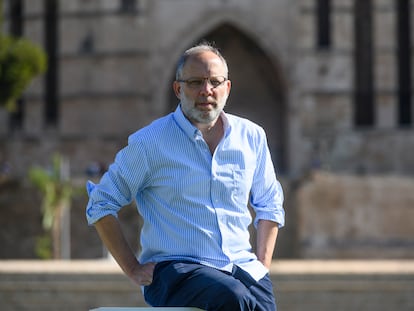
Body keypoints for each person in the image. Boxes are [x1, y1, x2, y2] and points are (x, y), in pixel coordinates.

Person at [86, 42, 285, 311]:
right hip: (175, 270)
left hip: (243, 268)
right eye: (195, 82)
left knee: (253, 300)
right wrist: (132, 269)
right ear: (178, 89)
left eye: (215, 82)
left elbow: (269, 203)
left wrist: (262, 264)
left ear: (227, 88)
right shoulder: (150, 143)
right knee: (234, 298)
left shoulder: (252, 136)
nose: (206, 91)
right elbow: (101, 203)